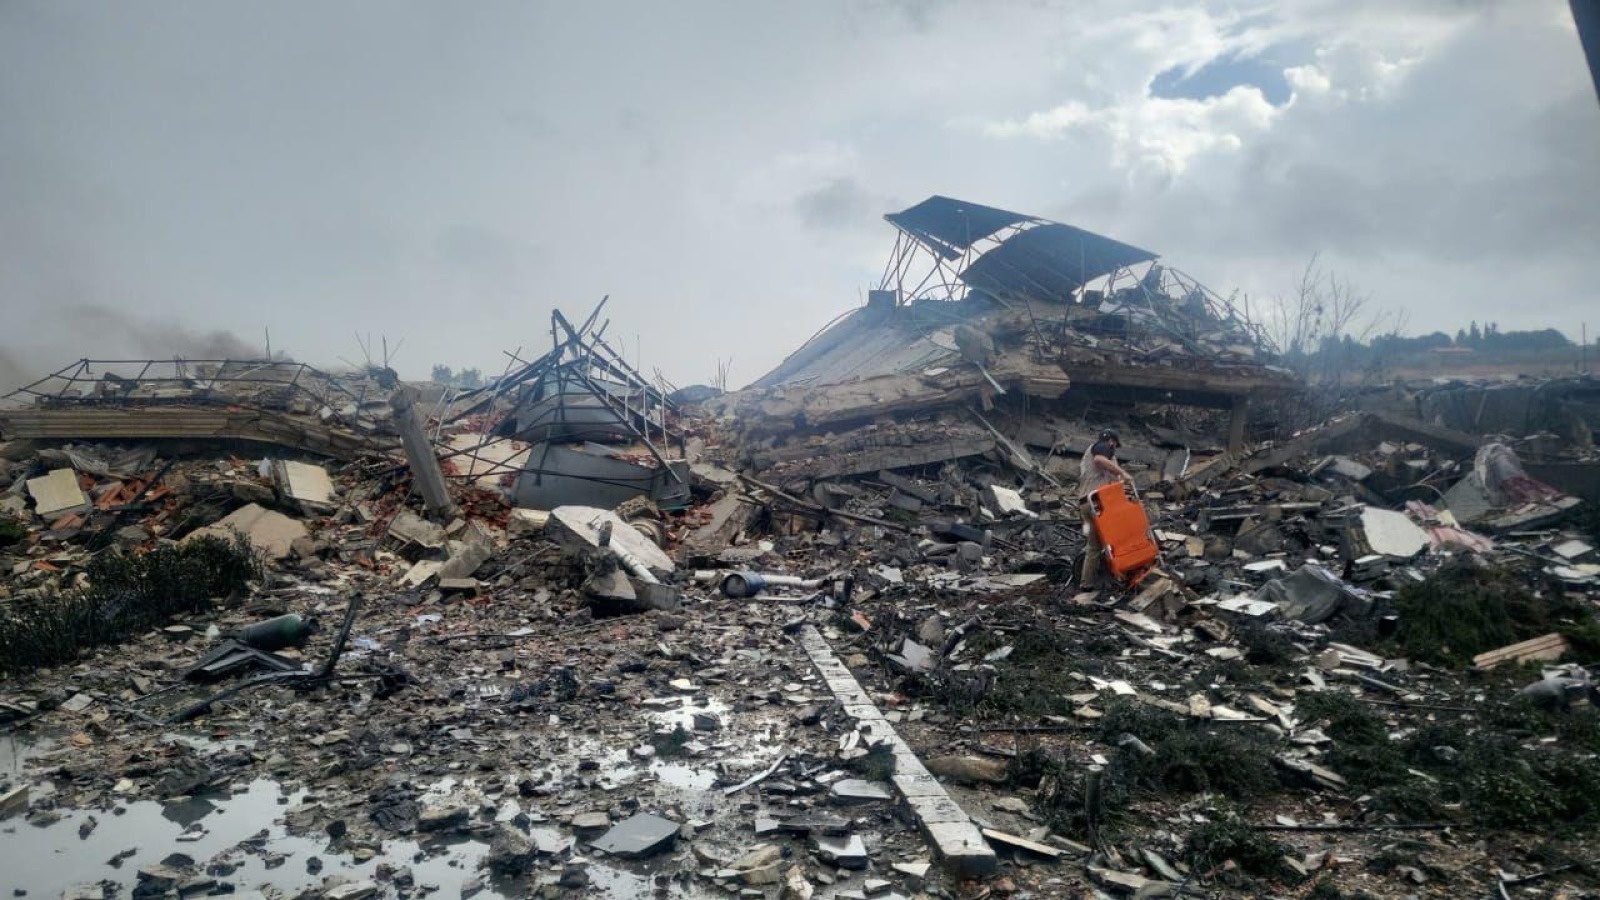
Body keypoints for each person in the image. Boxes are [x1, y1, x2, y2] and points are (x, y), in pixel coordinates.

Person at [1079, 428, 1133, 588]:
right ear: (1111, 442)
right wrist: (1123, 473)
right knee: (1120, 537)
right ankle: (1125, 576)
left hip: (1086, 503)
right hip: (1097, 504)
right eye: (1114, 445)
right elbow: (1100, 460)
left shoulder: (1088, 457)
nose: (1113, 449)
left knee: (1094, 547)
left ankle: (1087, 584)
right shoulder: (1102, 447)